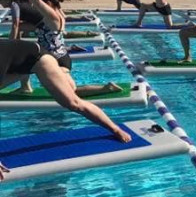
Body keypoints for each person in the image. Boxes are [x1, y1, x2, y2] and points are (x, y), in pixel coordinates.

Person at [0, 39, 131, 146]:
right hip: (20, 62)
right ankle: (26, 86)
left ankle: (115, 129)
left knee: (73, 103)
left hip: (40, 60)